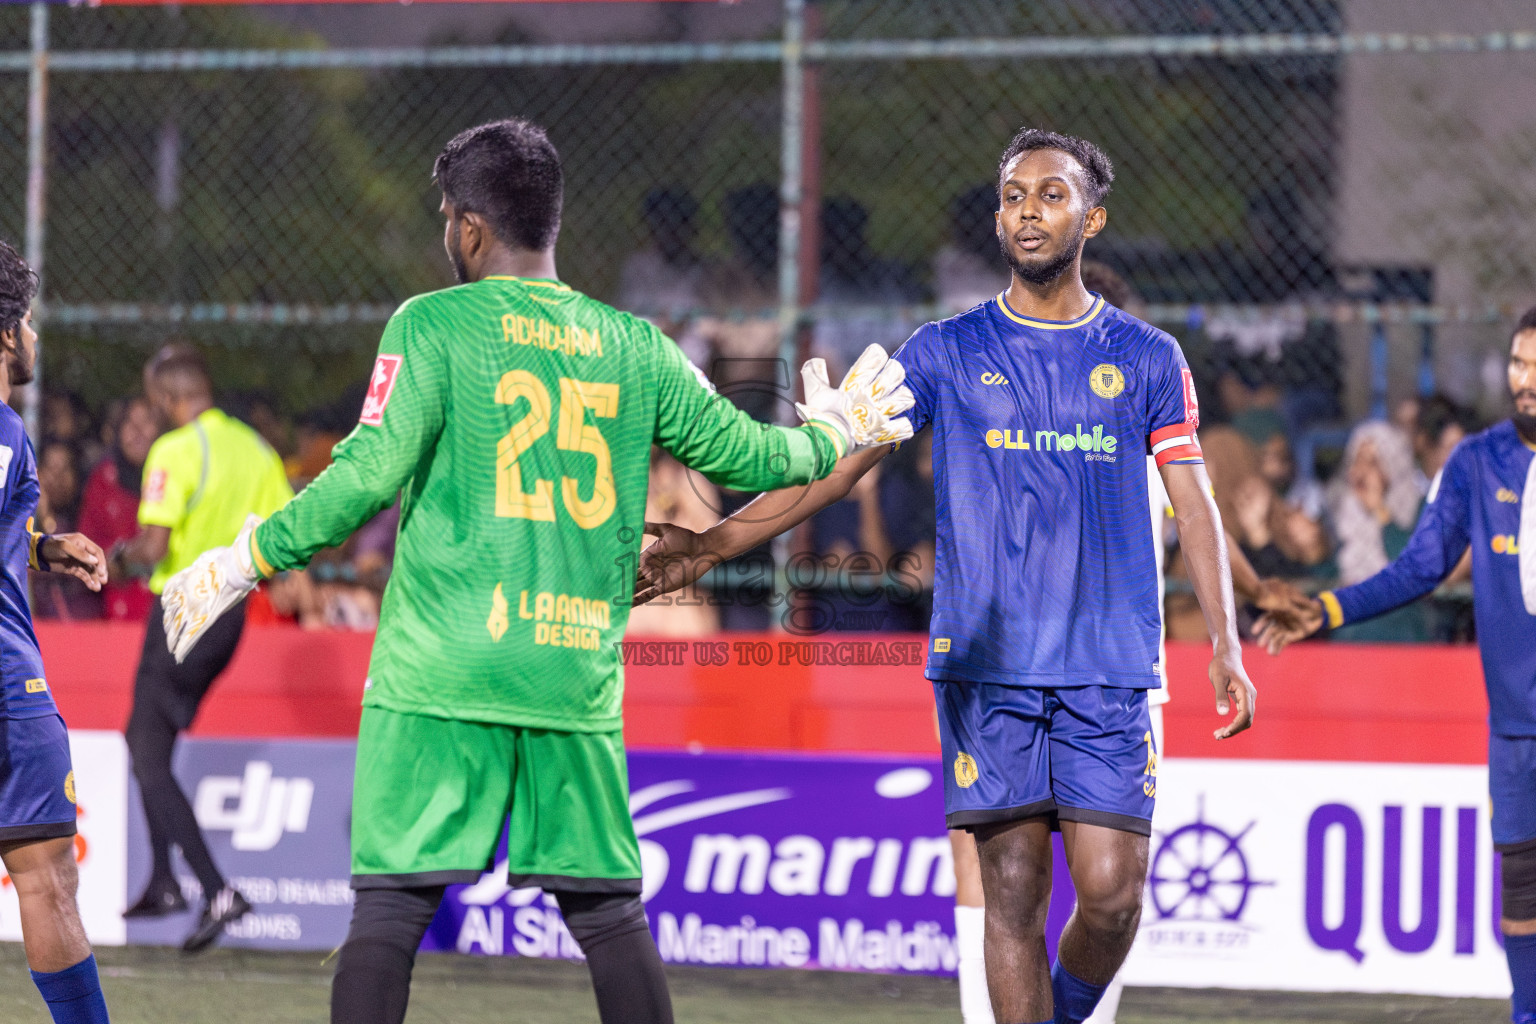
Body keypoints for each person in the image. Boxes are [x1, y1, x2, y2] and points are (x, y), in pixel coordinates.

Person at [155, 118, 905, 1024]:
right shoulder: (635, 344)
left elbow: (367, 473)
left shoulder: (431, 322)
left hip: (440, 672)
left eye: (445, 215)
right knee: (610, 917)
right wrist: (836, 432)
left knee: (390, 911)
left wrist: (243, 559)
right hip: (568, 673)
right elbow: (749, 458)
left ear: (469, 227)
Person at [637, 127, 1261, 1024]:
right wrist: (706, 548)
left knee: (1114, 896)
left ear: (1095, 216)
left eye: (1051, 194)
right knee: (1010, 898)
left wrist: (1227, 645)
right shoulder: (944, 349)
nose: (1028, 212)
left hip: (1109, 667)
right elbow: (840, 466)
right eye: (1013, 196)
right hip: (985, 667)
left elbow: (1194, 506)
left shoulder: (1151, 357)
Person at [1257, 307, 1536, 1024]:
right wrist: (1329, 609)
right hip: (1515, 731)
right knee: (1524, 899)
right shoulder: (1479, 461)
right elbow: (1419, 568)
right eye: (1517, 364)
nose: (1524, 381)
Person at [108, 344, 293, 951]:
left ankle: (216, 889)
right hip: (231, 618)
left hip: (181, 612)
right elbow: (284, 531)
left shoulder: (175, 450)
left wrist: (117, 557)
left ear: (167, 397)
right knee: (148, 744)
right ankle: (165, 880)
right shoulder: (256, 449)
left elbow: (155, 547)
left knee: (145, 752)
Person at [0, 239, 113, 1023]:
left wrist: (40, 546)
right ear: (6, 334)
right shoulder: (2, 428)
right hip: (9, 688)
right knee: (47, 884)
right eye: (31, 321)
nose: (37, 336)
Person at [77, 397, 158, 622]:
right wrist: (107, 564)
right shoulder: (103, 479)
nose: (138, 431)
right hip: (116, 610)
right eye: (129, 423)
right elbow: (85, 544)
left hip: (171, 607)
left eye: (147, 422)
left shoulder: (176, 477)